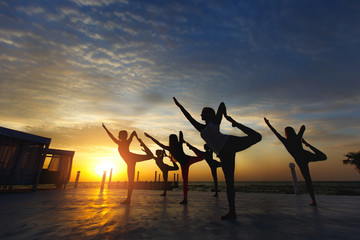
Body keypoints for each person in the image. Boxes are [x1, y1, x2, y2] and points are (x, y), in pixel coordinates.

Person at [173, 97, 262, 220]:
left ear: (208, 114)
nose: (200, 115)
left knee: (257, 137)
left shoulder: (215, 122)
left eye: (202, 113)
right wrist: (180, 106)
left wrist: (226, 116)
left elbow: (222, 104)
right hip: (224, 153)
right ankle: (232, 212)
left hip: (229, 142)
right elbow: (189, 117)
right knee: (229, 182)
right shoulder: (201, 127)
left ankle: (237, 124)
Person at [264, 118, 327, 206]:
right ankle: (313, 200)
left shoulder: (286, 141)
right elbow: (303, 128)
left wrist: (268, 124)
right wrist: (302, 129)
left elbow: (275, 132)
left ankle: (313, 200)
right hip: (305, 155)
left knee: (308, 180)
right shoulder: (297, 138)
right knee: (321, 160)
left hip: (301, 159)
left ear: (286, 134)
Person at [145, 131, 204, 204]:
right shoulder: (178, 145)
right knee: (202, 157)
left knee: (185, 182)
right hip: (187, 161)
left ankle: (185, 199)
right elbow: (180, 139)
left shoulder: (170, 148)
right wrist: (181, 135)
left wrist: (150, 137)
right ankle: (185, 199)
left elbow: (158, 143)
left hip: (185, 163)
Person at [102, 123, 153, 204]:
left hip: (132, 159)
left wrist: (138, 139)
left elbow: (112, 135)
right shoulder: (125, 141)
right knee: (131, 181)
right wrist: (137, 138)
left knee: (150, 156)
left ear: (122, 136)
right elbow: (133, 132)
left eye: (122, 135)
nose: (121, 137)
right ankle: (128, 199)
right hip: (131, 161)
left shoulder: (120, 142)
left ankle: (128, 199)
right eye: (121, 135)